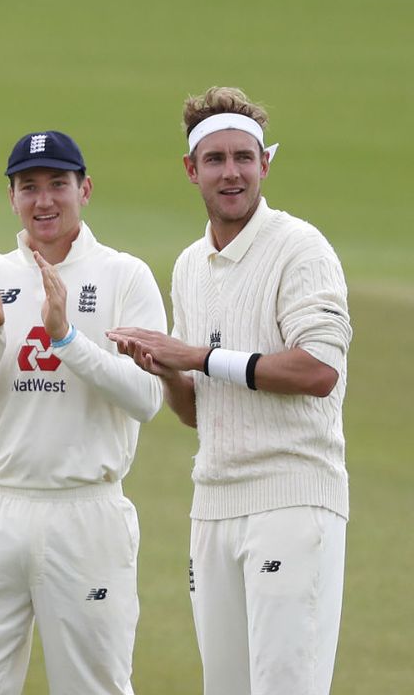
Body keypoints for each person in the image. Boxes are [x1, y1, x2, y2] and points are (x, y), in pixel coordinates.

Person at [108, 87, 351, 695]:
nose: (232, 172)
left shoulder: (301, 248)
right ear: (192, 171)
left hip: (291, 500)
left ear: (265, 163)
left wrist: (199, 356)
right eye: (215, 159)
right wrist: (166, 368)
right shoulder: (190, 265)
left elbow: (319, 370)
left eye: (244, 157)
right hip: (213, 504)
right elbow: (198, 410)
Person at [0, 131, 166, 694]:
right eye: (28, 186)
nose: (44, 200)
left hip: (84, 512)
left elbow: (148, 397)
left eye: (57, 184)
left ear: (84, 188)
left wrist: (67, 339)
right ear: (10, 198)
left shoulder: (123, 276)